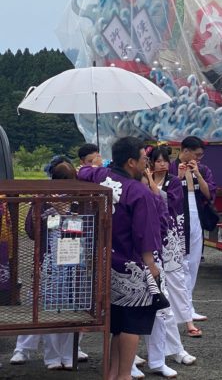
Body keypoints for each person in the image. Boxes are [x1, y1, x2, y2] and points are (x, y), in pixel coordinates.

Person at [78, 136, 163, 380]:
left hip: (103, 262)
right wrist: (151, 264)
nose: (147, 164)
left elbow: (82, 171)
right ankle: (124, 374)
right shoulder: (138, 191)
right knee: (132, 324)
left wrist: (93, 166)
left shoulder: (100, 177)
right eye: (144, 159)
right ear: (131, 162)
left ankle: (113, 374)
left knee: (115, 325)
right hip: (129, 266)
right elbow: (145, 232)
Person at [12, 158, 87, 371]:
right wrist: (48, 210)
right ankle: (51, 356)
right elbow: (30, 230)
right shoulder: (43, 200)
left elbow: (87, 228)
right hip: (50, 262)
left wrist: (65, 213)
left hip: (74, 261)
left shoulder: (79, 200)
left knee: (73, 309)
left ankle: (68, 354)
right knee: (50, 308)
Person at [142, 146, 197, 377]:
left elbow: (170, 204)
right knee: (152, 301)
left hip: (168, 239)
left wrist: (151, 184)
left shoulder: (174, 181)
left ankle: (183, 334)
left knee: (174, 287)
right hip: (149, 244)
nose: (163, 164)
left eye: (166, 160)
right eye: (158, 161)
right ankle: (158, 351)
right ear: (151, 163)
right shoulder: (140, 183)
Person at [168, 136, 217, 328]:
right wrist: (179, 177)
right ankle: (177, 306)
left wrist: (198, 174)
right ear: (185, 151)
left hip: (197, 218)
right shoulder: (171, 168)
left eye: (201, 156)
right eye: (196, 155)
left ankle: (188, 305)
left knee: (194, 262)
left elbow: (209, 193)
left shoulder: (203, 169)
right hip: (177, 219)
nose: (198, 159)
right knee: (178, 264)